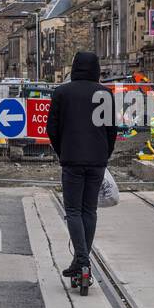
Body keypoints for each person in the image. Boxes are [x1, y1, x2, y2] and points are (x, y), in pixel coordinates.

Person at [47, 51, 118, 278]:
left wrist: (62, 151)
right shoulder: (105, 94)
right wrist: (104, 154)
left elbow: (52, 129)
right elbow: (111, 131)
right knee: (89, 210)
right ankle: (82, 260)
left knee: (73, 210)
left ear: (74, 67)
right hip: (97, 161)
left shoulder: (62, 93)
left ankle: (82, 260)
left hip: (72, 160)